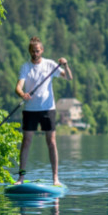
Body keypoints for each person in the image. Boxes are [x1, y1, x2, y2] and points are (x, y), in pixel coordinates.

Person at [15, 36, 72, 185]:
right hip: (30, 110)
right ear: (30, 51)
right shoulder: (25, 67)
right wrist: (22, 94)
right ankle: (20, 178)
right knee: (26, 142)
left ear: (42, 50)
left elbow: (69, 78)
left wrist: (65, 65)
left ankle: (55, 178)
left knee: (51, 142)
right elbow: (18, 87)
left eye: (37, 51)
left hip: (48, 109)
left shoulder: (50, 65)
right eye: (33, 51)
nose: (35, 53)